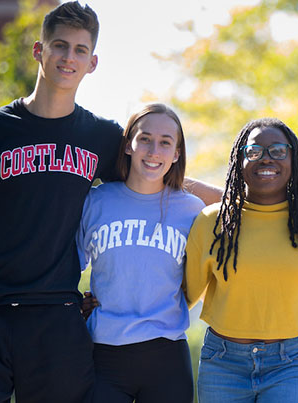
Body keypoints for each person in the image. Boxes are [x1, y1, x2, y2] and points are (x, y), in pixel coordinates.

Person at [0, 2, 120, 401]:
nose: (68, 57)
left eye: (80, 50)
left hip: (57, 317)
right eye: (59, 46)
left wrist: (231, 198)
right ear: (39, 50)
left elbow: (155, 178)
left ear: (93, 62)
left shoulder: (101, 137)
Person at [184, 118, 298, 402]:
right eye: (254, 151)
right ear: (239, 159)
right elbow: (184, 295)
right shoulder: (212, 222)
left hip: (289, 364)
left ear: (293, 159)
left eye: (277, 150)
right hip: (222, 363)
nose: (266, 159)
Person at [76, 104, 203, 402]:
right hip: (103, 355)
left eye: (165, 142)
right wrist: (74, 303)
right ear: (129, 145)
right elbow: (65, 267)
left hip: (167, 356)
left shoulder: (193, 210)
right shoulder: (95, 202)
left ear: (176, 154)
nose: (153, 150)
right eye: (145, 138)